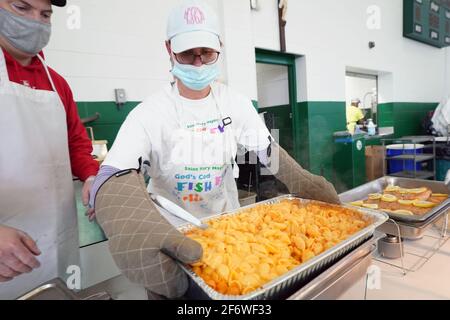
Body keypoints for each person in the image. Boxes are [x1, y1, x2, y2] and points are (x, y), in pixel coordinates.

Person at [89, 0, 340, 299]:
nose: (198, 63)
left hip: (228, 234)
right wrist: (128, 220)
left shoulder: (236, 103)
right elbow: (114, 174)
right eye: (187, 53)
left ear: (219, 47)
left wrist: (302, 180)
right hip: (168, 241)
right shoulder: (149, 114)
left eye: (206, 53)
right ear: (169, 49)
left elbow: (267, 152)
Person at [0, 0, 99, 299]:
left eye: (45, 15)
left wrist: (93, 178)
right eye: (21, 8)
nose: (36, 21)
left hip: (57, 240)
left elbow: (77, 145)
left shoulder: (57, 84)